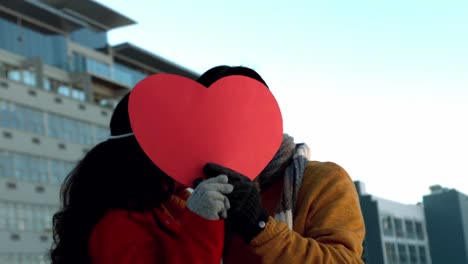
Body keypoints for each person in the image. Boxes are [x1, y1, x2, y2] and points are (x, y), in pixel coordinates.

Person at [198, 65, 366, 263]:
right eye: (211, 121)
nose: (227, 131)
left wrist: (259, 226)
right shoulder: (190, 193)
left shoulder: (325, 180)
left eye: (240, 116)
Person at [50, 92, 232, 264]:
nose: (197, 153)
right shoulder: (118, 227)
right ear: (151, 155)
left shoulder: (173, 208)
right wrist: (201, 224)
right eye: (182, 144)